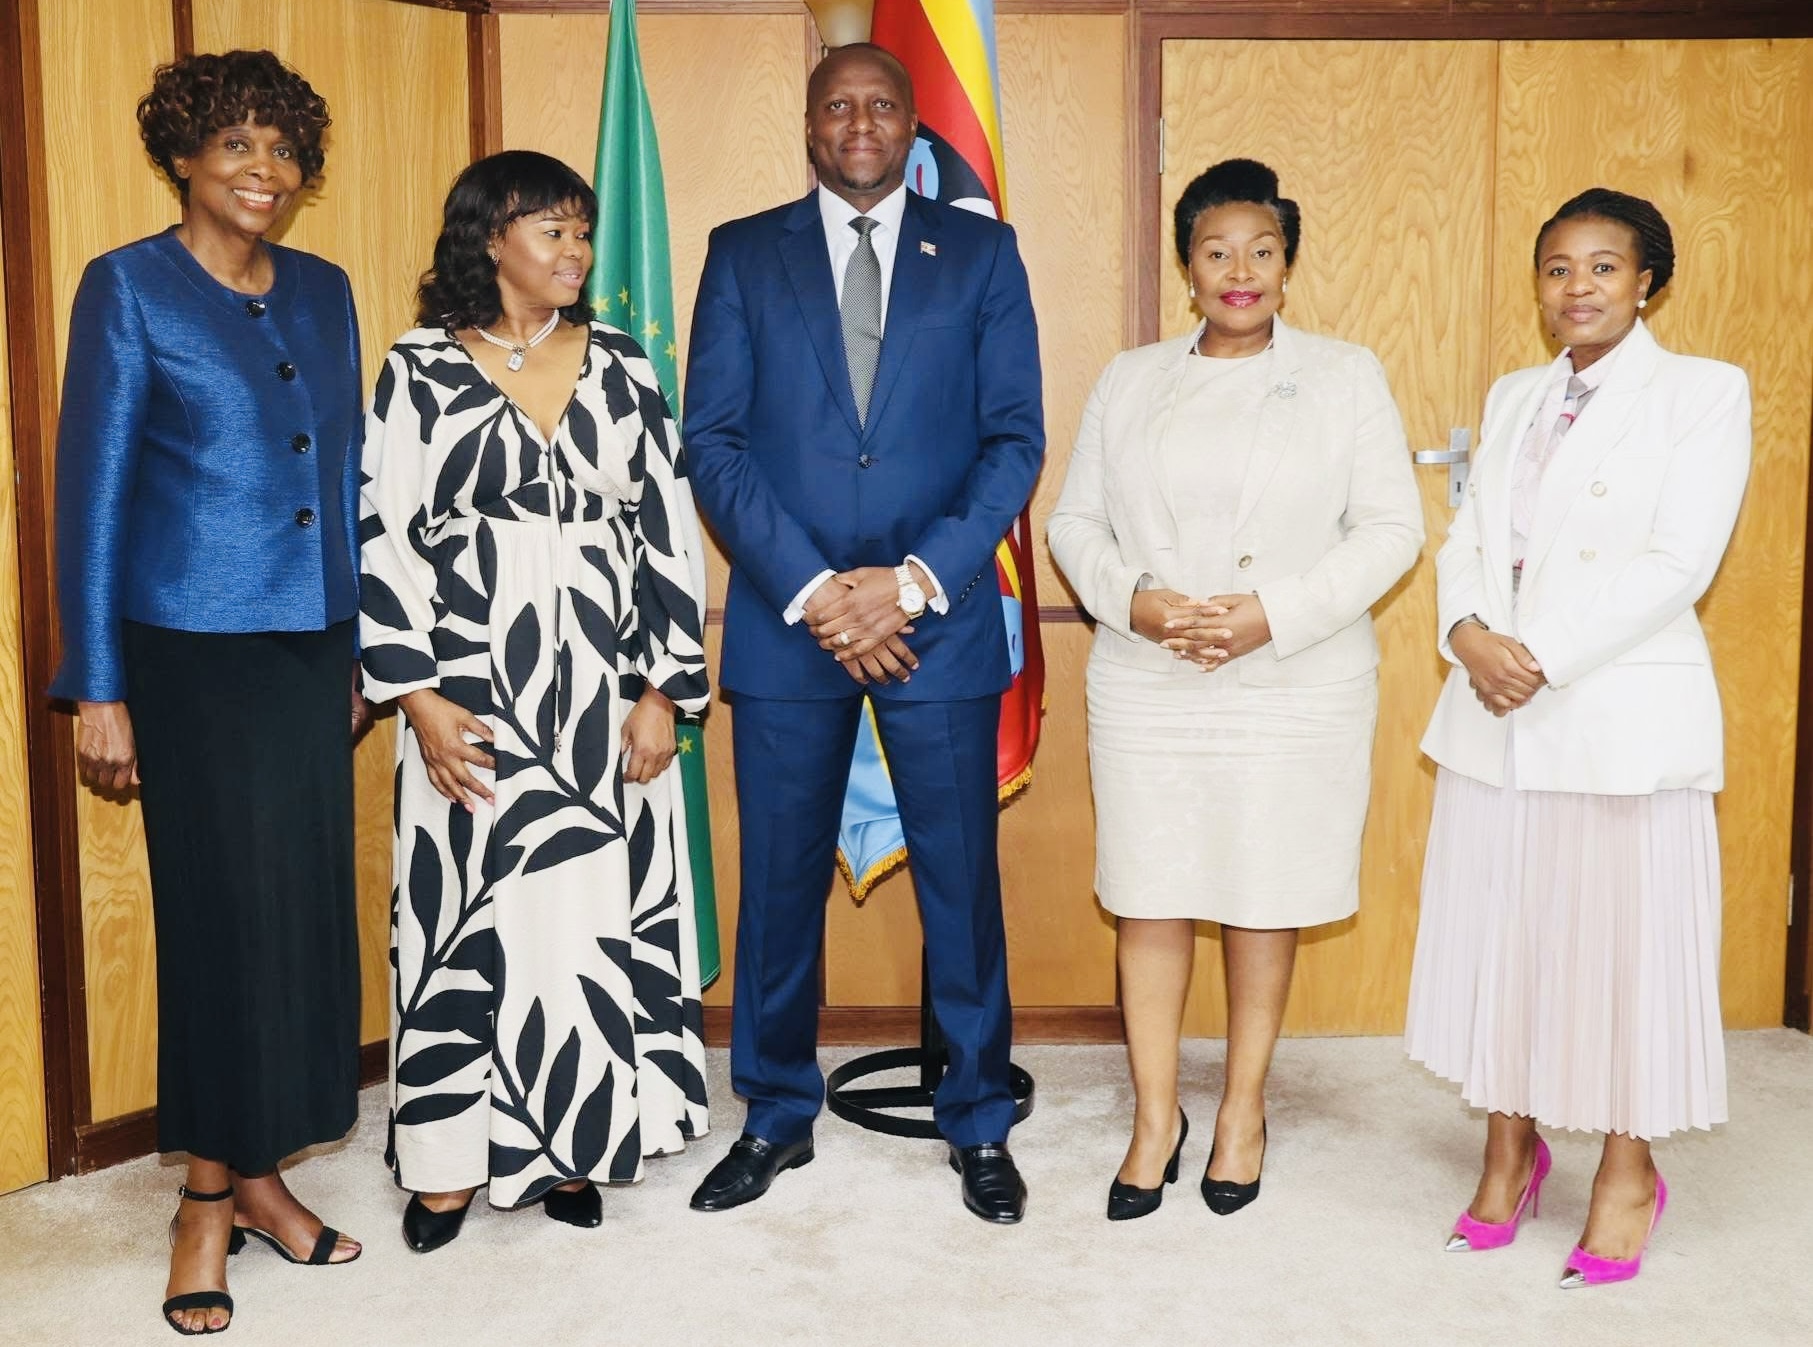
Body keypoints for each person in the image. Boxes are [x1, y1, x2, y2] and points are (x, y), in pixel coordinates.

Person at [681, 43, 1043, 1224]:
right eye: (837, 104)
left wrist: (916, 582)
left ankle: (979, 1119)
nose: (859, 122)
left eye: (882, 104)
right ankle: (777, 1113)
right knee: (779, 887)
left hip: (936, 623)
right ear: (806, 122)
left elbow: (1013, 441)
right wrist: (820, 593)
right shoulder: (743, 253)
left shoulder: (981, 253)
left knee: (962, 888)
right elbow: (715, 443)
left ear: (911, 124)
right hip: (791, 627)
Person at [51, 50, 366, 1336]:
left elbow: (346, 479)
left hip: (311, 650)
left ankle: (265, 1178)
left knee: (294, 922)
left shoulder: (326, 290)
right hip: (186, 650)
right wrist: (99, 687)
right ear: (183, 155)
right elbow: (93, 492)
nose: (264, 173)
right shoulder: (127, 287)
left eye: (285, 152)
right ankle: (201, 1199)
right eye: (236, 146)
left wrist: (363, 652)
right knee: (218, 922)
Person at [1049, 159, 1422, 1222]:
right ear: (1187, 267)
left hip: (1291, 679)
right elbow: (1072, 524)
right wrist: (1142, 601)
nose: (1239, 270)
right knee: (1151, 893)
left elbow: (1392, 529)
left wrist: (1273, 615)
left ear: (1288, 265)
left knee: (1267, 895)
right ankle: (1153, 1115)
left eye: (1261, 251)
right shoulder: (1129, 378)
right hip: (1149, 677)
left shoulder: (1348, 375)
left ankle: (1242, 1111)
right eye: (1216, 252)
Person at [359, 150, 712, 1254]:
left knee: (582, 921)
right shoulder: (414, 369)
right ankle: (450, 1168)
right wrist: (414, 699)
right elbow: (382, 533)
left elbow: (666, 532)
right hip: (469, 697)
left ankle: (578, 1142)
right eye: (550, 231)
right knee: (467, 923)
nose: (575, 253)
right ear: (490, 238)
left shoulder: (623, 364)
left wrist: (663, 690)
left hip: (603, 697)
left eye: (581, 232)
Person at [1407, 189, 1749, 1288]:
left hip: (1610, 715)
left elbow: (1675, 564)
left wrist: (1534, 653)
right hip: (1496, 713)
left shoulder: (1700, 393)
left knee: (1626, 953)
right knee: (1505, 937)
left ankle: (1627, 1169)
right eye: (1557, 267)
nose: (1578, 288)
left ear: (1648, 279)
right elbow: (1467, 535)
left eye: (1604, 267)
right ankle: (1508, 1150)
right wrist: (1466, 634)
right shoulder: (1515, 393)